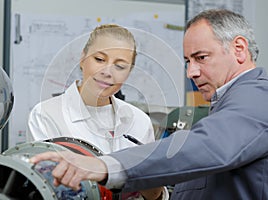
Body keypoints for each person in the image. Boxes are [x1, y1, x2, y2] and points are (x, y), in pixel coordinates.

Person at [30, 9, 268, 199]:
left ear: (239, 49)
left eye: (201, 58)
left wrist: (103, 166)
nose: (191, 73)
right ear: (83, 58)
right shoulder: (227, 103)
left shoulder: (259, 95)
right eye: (188, 61)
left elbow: (211, 146)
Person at [27, 24, 168, 200]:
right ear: (82, 58)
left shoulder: (139, 121)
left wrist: (154, 190)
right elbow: (47, 188)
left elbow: (153, 193)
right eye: (100, 59)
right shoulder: (46, 115)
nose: (107, 72)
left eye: (120, 66)